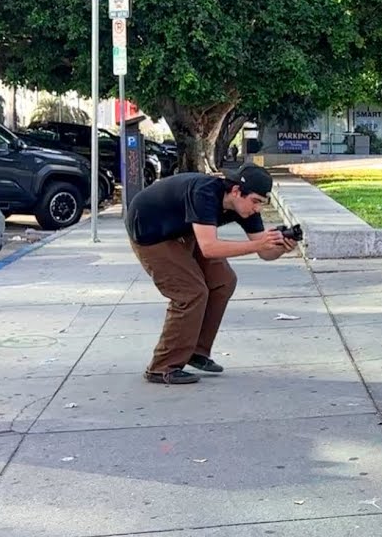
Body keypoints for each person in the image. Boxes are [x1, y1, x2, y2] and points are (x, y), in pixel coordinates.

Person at [123, 164, 296, 385]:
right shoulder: (204, 193)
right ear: (236, 191)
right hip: (150, 231)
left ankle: (196, 351)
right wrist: (258, 245)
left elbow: (264, 253)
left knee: (223, 281)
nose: (257, 208)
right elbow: (209, 248)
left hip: (181, 230)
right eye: (255, 201)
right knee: (190, 292)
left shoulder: (245, 208)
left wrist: (281, 248)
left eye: (262, 203)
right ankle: (162, 367)